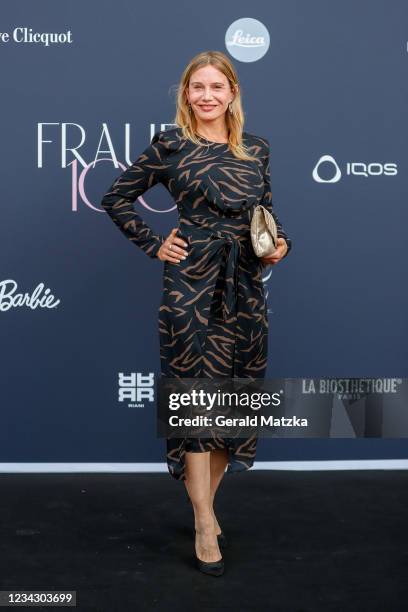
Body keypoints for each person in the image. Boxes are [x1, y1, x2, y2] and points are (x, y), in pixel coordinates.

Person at [101, 50, 292, 576]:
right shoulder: (171, 145)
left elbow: (266, 216)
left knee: (236, 395)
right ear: (186, 94)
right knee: (196, 395)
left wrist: (280, 245)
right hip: (191, 284)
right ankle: (205, 520)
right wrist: (154, 243)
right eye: (196, 87)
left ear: (233, 93)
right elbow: (116, 197)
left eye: (216, 86)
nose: (206, 96)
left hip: (246, 284)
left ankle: (204, 507)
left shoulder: (257, 149)